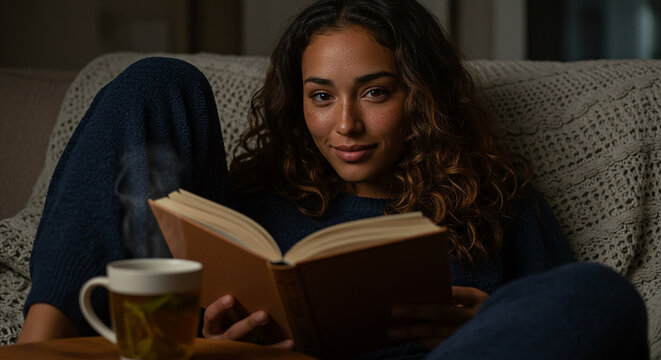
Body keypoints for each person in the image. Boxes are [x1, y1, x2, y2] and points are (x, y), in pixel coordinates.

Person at [17, 0, 649, 358]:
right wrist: (213, 342)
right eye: (321, 97)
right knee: (156, 81)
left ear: (421, 97)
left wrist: (490, 322)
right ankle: (33, 351)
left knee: (600, 293)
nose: (344, 124)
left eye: (374, 92)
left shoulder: (501, 207)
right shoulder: (254, 200)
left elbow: (583, 324)